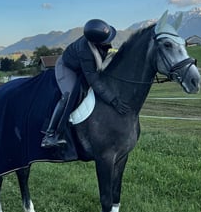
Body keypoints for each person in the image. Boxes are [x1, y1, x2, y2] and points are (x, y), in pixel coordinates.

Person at [41, 18, 132, 148]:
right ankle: (50, 135)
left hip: (83, 66)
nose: (110, 41)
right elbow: (94, 81)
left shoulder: (99, 40)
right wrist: (113, 100)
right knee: (68, 95)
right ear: (96, 41)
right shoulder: (85, 51)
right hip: (67, 67)